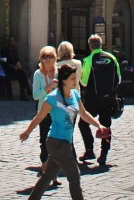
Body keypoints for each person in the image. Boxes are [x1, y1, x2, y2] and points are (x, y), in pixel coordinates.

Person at [20, 62, 109, 200]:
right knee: (74, 174)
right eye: (72, 78)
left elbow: (84, 113)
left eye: (76, 77)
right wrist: (27, 132)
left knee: (48, 175)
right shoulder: (53, 98)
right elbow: (39, 117)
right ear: (63, 80)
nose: (75, 81)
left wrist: (99, 125)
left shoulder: (74, 94)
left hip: (66, 143)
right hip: (56, 142)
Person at [78, 33, 120, 168]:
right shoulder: (112, 58)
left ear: (90, 46)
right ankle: (104, 154)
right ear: (101, 45)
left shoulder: (88, 60)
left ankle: (89, 150)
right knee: (106, 125)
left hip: (92, 99)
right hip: (109, 98)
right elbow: (118, 79)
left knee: (83, 124)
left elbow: (84, 82)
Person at [32, 46, 59, 181]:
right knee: (44, 141)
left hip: (57, 112)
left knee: (56, 142)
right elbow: (35, 96)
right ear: (41, 59)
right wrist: (47, 88)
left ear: (55, 58)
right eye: (44, 56)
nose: (47, 59)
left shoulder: (58, 73)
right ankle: (44, 165)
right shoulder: (38, 74)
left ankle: (52, 173)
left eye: (50, 56)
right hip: (43, 112)